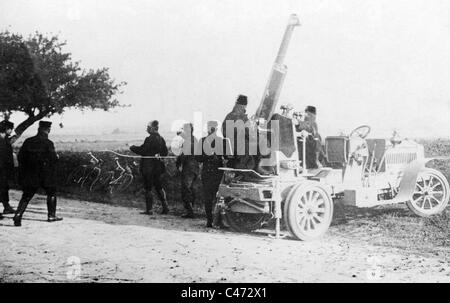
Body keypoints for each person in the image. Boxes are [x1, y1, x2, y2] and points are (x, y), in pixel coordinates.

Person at [13, 121, 62, 227]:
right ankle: (51, 215)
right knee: (52, 192)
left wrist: (26, 168)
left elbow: (20, 157)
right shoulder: (48, 143)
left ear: (38, 129)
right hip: (45, 174)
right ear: (48, 130)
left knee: (26, 195)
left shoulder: (28, 141)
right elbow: (53, 159)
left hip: (31, 174)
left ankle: (18, 215)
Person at [130, 120, 169, 215]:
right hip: (158, 168)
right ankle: (165, 207)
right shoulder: (161, 138)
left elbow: (143, 150)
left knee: (148, 188)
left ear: (152, 128)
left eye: (148, 127)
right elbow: (165, 153)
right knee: (159, 186)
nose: (146, 129)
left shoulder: (149, 139)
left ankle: (149, 210)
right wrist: (159, 155)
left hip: (149, 168)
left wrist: (132, 147)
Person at [197, 121, 227, 227]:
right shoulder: (218, 141)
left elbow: (198, 158)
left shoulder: (218, 141)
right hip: (214, 173)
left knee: (213, 198)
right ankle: (213, 220)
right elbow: (198, 158)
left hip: (213, 173)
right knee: (213, 198)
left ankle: (214, 220)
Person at [221, 94, 254, 169]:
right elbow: (247, 131)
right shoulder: (241, 116)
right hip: (238, 143)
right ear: (244, 105)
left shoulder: (229, 115)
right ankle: (250, 166)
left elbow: (224, 130)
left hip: (229, 143)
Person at [176, 123, 199, 218]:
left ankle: (190, 212)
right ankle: (191, 209)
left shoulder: (187, 141)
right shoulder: (195, 139)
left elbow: (183, 156)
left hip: (188, 168)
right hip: (195, 168)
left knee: (186, 189)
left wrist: (178, 164)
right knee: (191, 189)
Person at [0, 120, 15, 219]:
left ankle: (6, 206)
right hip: (1, 169)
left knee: (4, 188)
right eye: (11, 129)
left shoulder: (5, 139)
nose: (11, 131)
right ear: (6, 129)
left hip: (4, 170)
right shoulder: (2, 140)